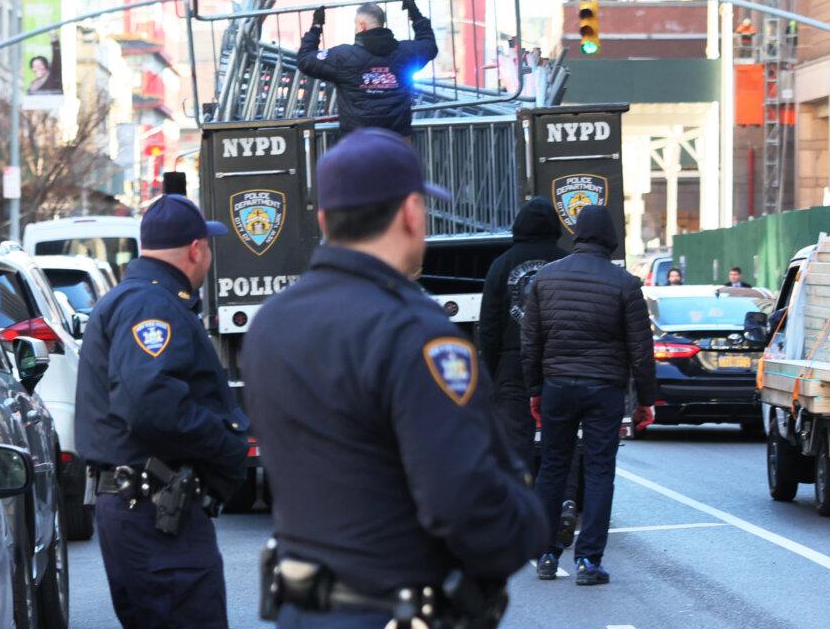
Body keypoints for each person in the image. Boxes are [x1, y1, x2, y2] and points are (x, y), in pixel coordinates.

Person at [241, 128, 547, 628]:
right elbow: (463, 501)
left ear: (324, 219)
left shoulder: (271, 323)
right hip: (396, 610)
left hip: (302, 610)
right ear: (410, 212)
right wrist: (531, 523)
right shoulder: (417, 333)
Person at [75, 194, 250, 629]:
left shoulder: (140, 299)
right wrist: (226, 441)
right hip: (154, 515)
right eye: (207, 246)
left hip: (145, 511)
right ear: (196, 249)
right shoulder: (151, 305)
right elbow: (150, 403)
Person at [521, 206, 656, 586]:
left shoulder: (545, 279)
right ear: (610, 237)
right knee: (598, 471)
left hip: (557, 386)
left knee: (552, 468)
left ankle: (546, 554)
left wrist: (535, 391)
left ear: (577, 234)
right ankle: (588, 561)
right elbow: (641, 350)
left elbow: (531, 343)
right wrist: (646, 399)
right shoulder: (625, 284)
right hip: (604, 389)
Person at [478, 196, 568, 471]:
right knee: (560, 443)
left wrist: (492, 371)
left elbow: (489, 324)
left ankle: (521, 494)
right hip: (558, 362)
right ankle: (559, 494)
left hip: (512, 363)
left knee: (515, 445)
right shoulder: (566, 262)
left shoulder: (501, 265)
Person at [297, 0, 438, 140]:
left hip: (357, 142)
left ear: (362, 26)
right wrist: (416, 15)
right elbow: (429, 45)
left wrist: (316, 26)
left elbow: (305, 59)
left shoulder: (342, 56)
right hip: (397, 140)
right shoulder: (405, 52)